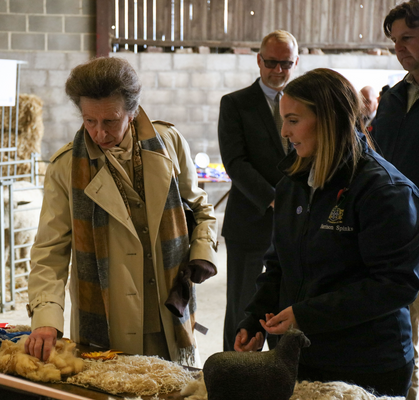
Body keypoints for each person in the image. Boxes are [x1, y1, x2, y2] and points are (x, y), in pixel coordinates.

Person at [24, 57, 220, 367]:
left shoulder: (169, 143)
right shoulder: (65, 168)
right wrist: (46, 316)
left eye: (110, 121)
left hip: (168, 309)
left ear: (132, 112)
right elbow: (50, 251)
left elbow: (200, 207)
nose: (99, 133)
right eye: (90, 121)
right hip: (106, 316)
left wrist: (203, 251)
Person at [235, 68, 419, 397]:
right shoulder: (293, 182)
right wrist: (254, 318)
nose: (284, 131)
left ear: (329, 118)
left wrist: (306, 315)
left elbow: (395, 284)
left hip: (366, 363)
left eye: (293, 120)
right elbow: (280, 262)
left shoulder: (383, 190)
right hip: (300, 355)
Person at [218, 30, 299, 351]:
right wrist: (273, 198)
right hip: (250, 222)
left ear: (296, 62)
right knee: (243, 310)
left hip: (293, 225)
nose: (278, 70)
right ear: (258, 60)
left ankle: (279, 381)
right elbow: (235, 163)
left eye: (285, 63)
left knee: (283, 308)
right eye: (271, 62)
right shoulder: (236, 104)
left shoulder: (305, 104)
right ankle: (231, 378)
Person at [372, 2, 419, 397]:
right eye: (394, 41)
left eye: (408, 37)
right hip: (392, 229)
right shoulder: (393, 95)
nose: (400, 48)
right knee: (401, 328)